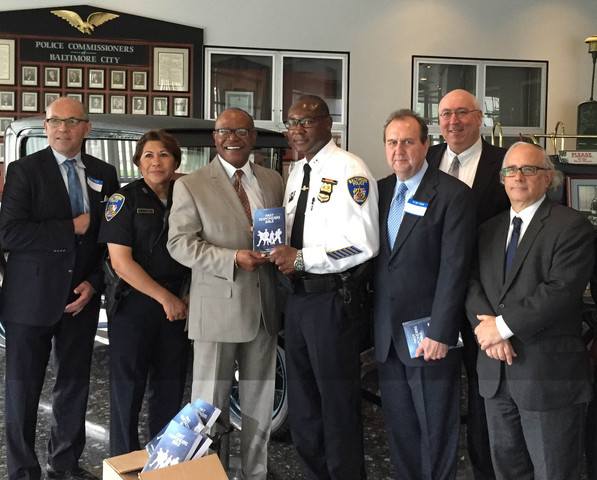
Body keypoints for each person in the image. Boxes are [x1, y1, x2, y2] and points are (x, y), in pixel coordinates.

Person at [0, 97, 119, 480]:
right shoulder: (24, 171)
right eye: (54, 121)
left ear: (87, 127)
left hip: (81, 297)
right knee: (23, 389)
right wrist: (72, 226)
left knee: (73, 385)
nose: (61, 128)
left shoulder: (105, 172)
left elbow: (112, 240)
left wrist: (95, 283)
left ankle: (64, 463)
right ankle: (22, 470)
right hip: (29, 299)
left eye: (71, 121)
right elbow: (9, 232)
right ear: (46, 127)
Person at [167, 108, 284, 480]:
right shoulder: (192, 184)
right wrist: (232, 257)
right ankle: (202, 475)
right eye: (225, 131)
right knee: (207, 407)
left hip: (264, 309)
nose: (233, 137)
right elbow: (179, 244)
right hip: (216, 311)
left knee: (259, 404)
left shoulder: (273, 180)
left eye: (242, 131)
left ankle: (256, 473)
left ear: (253, 137)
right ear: (215, 138)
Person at [466, 142, 594, 479]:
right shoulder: (487, 230)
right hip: (496, 374)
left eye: (529, 169)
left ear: (548, 177)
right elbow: (472, 284)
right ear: (502, 179)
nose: (518, 176)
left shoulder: (572, 226)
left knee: (554, 471)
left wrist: (502, 327)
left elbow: (560, 291)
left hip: (547, 376)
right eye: (510, 170)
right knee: (507, 469)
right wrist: (488, 334)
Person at [270, 95, 379, 479]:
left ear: (327, 124)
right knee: (303, 402)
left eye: (306, 121)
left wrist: (302, 259)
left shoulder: (350, 170)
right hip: (297, 300)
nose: (296, 130)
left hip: (332, 300)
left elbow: (364, 244)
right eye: (291, 122)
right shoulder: (297, 171)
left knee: (336, 403)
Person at [373, 109, 475, 480]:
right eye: (392, 142)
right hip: (387, 338)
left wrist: (441, 333)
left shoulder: (452, 196)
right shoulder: (380, 191)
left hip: (429, 337)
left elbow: (455, 269)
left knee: (437, 431)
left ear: (426, 145)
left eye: (408, 141)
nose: (399, 150)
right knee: (400, 432)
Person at [427, 89, 510, 480]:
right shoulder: (426, 160)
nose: (454, 121)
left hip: (486, 303)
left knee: (484, 396)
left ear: (480, 118)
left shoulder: (504, 163)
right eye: (446, 114)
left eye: (462, 113)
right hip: (434, 301)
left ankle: (485, 471)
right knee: (435, 394)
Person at [98, 130, 191, 456]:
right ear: (137, 162)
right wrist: (165, 298)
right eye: (149, 155)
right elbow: (121, 263)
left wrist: (187, 297)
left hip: (180, 306)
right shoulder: (123, 200)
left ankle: (163, 463)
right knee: (128, 391)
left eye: (164, 154)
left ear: (176, 161)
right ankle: (124, 463)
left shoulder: (188, 194)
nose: (156, 161)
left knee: (170, 389)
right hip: (135, 306)